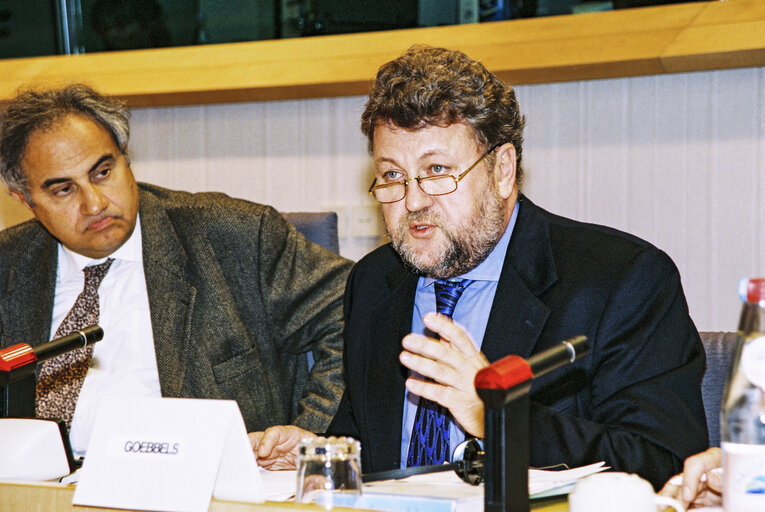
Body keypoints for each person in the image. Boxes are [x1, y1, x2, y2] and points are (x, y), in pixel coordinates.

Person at [250, 45, 708, 489]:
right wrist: (324, 453)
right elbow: (383, 450)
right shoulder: (373, 282)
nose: (412, 201)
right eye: (393, 175)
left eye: (437, 171)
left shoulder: (622, 280)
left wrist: (501, 420)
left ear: (502, 170)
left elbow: (664, 461)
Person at [0, 84, 352, 457]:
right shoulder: (9, 265)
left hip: (200, 488)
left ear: (126, 158)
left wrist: (308, 437)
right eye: (64, 190)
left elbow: (357, 312)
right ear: (25, 200)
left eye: (103, 172)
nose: (95, 203)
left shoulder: (234, 237)